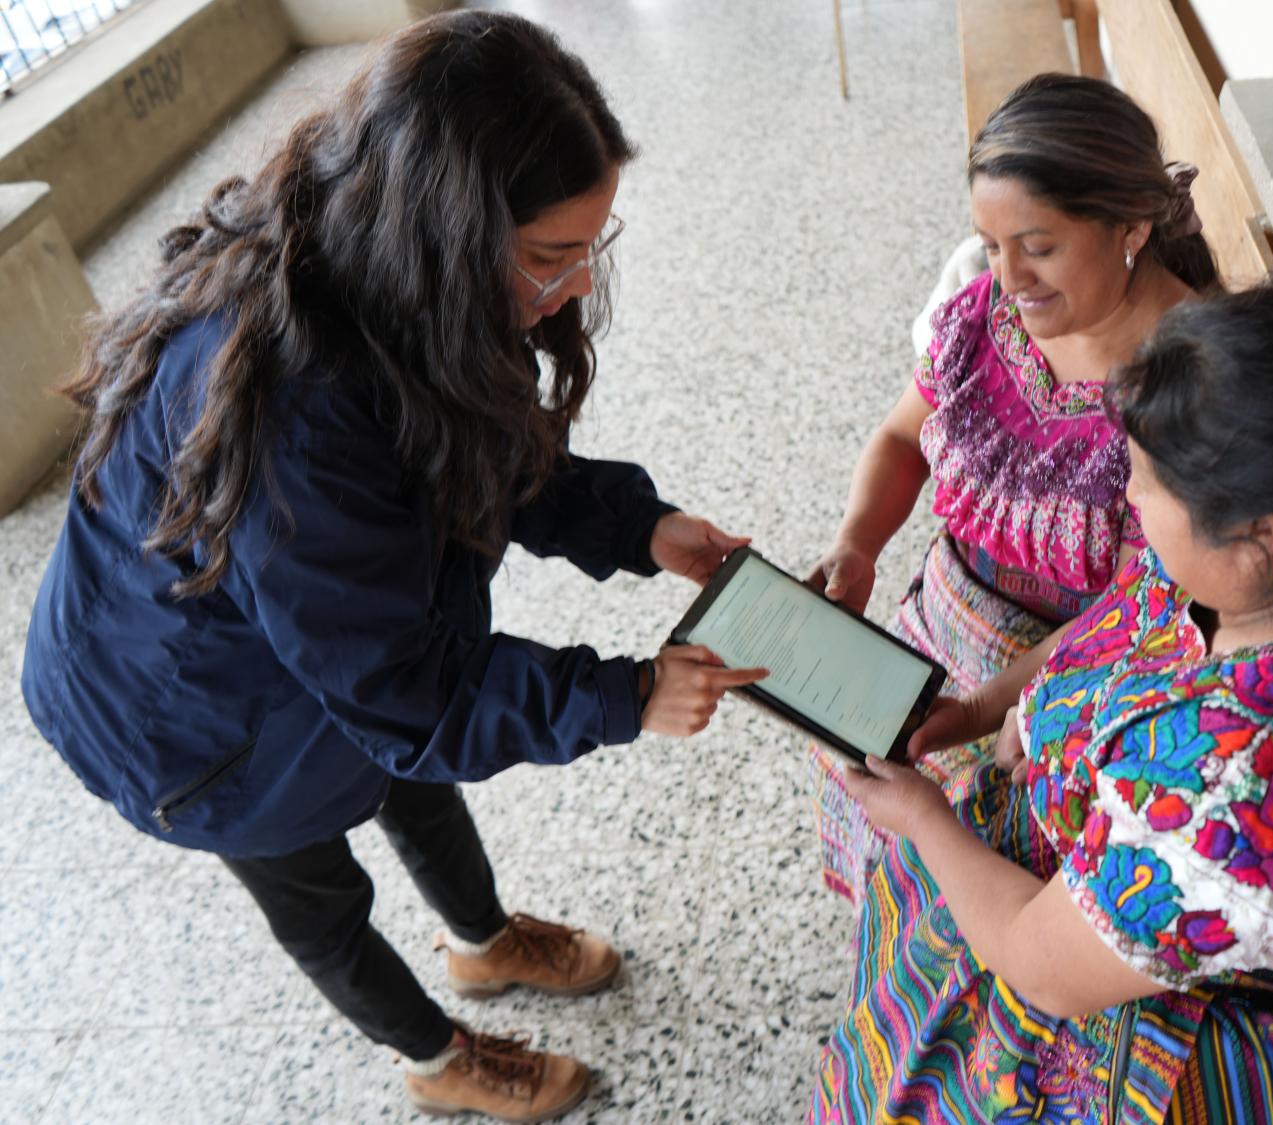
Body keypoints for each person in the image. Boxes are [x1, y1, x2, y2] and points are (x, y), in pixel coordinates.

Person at [20, 13, 764, 1122]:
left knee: (413, 781)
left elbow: (467, 453)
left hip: (320, 642)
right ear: (450, 225)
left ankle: (480, 939)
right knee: (319, 894)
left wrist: (635, 526)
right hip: (194, 721)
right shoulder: (297, 413)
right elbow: (409, 696)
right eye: (550, 259)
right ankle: (434, 1057)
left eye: (586, 251)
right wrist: (627, 696)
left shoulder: (394, 265)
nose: (566, 292)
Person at [811, 282, 1273, 1123]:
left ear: (1262, 535)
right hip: (1090, 875)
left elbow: (1039, 966)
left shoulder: (1248, 787)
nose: (1132, 501)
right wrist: (992, 705)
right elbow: (1127, 615)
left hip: (1154, 1035)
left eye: (1145, 484)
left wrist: (927, 821)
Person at [807, 74, 1216, 903]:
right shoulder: (986, 311)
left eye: (1038, 245)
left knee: (947, 873)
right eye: (992, 245)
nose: (1009, 275)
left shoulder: (1193, 382)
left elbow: (1145, 605)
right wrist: (857, 542)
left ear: (1131, 223)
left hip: (1054, 690)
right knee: (865, 785)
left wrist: (989, 706)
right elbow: (899, 437)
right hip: (933, 635)